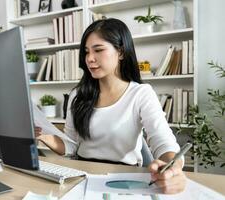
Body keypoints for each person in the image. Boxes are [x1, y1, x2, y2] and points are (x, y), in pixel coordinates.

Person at [35, 18, 186, 194]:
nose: (90, 59)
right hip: (81, 175)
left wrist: (172, 168)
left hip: (123, 179)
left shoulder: (140, 94)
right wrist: (47, 138)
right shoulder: (78, 95)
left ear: (121, 52)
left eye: (98, 50)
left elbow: (164, 143)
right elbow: (72, 146)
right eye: (86, 52)